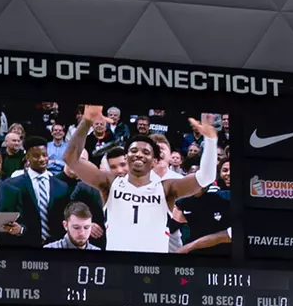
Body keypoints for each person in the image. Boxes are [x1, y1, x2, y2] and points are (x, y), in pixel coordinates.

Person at [63, 105, 216, 253]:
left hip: (155, 268)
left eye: (146, 152)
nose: (139, 154)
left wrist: (210, 140)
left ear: (155, 161)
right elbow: (71, 159)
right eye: (134, 150)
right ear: (126, 157)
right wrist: (87, 120)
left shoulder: (167, 188)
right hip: (118, 269)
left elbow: (206, 177)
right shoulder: (110, 183)